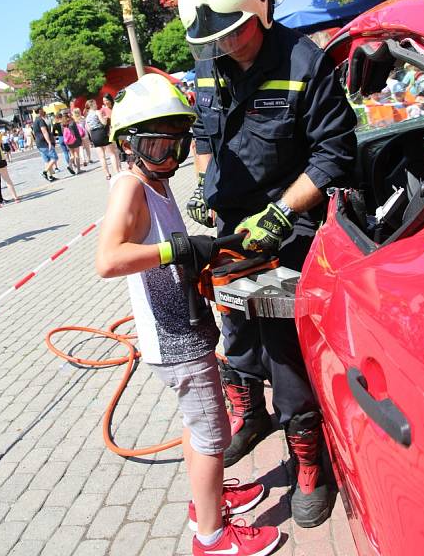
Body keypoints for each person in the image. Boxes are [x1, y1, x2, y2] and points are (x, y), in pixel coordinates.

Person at [178, 0, 357, 528]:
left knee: (284, 350)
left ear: (262, 10)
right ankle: (249, 416)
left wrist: (281, 213)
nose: (226, 46)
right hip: (232, 228)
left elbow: (335, 153)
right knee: (235, 332)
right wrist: (204, 182)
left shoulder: (306, 62)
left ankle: (309, 461)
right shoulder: (210, 61)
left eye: (235, 32)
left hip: (291, 223)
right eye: (216, 39)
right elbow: (207, 132)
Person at [96, 75, 280, 556]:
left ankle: (208, 499)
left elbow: (172, 252)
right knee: (212, 432)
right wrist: (174, 248)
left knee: (198, 425)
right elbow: (108, 259)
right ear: (128, 145)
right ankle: (212, 538)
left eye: (176, 145)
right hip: (174, 340)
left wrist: (209, 252)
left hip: (186, 329)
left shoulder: (153, 182)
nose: (168, 158)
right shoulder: (130, 187)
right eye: (156, 146)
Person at [85, 99, 119, 180]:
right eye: (95, 104)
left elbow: (88, 129)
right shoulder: (97, 112)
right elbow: (103, 122)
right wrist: (106, 118)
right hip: (101, 133)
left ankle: (107, 174)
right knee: (112, 154)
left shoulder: (87, 117)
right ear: (92, 105)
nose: (97, 105)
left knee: (101, 157)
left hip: (93, 135)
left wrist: (91, 139)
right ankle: (117, 172)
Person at [32, 107, 58, 182]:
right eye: (42, 110)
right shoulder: (40, 120)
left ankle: (50, 176)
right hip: (44, 143)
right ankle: (45, 172)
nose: (43, 111)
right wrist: (49, 142)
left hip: (39, 143)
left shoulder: (35, 121)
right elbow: (44, 131)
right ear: (39, 111)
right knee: (54, 157)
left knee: (47, 160)